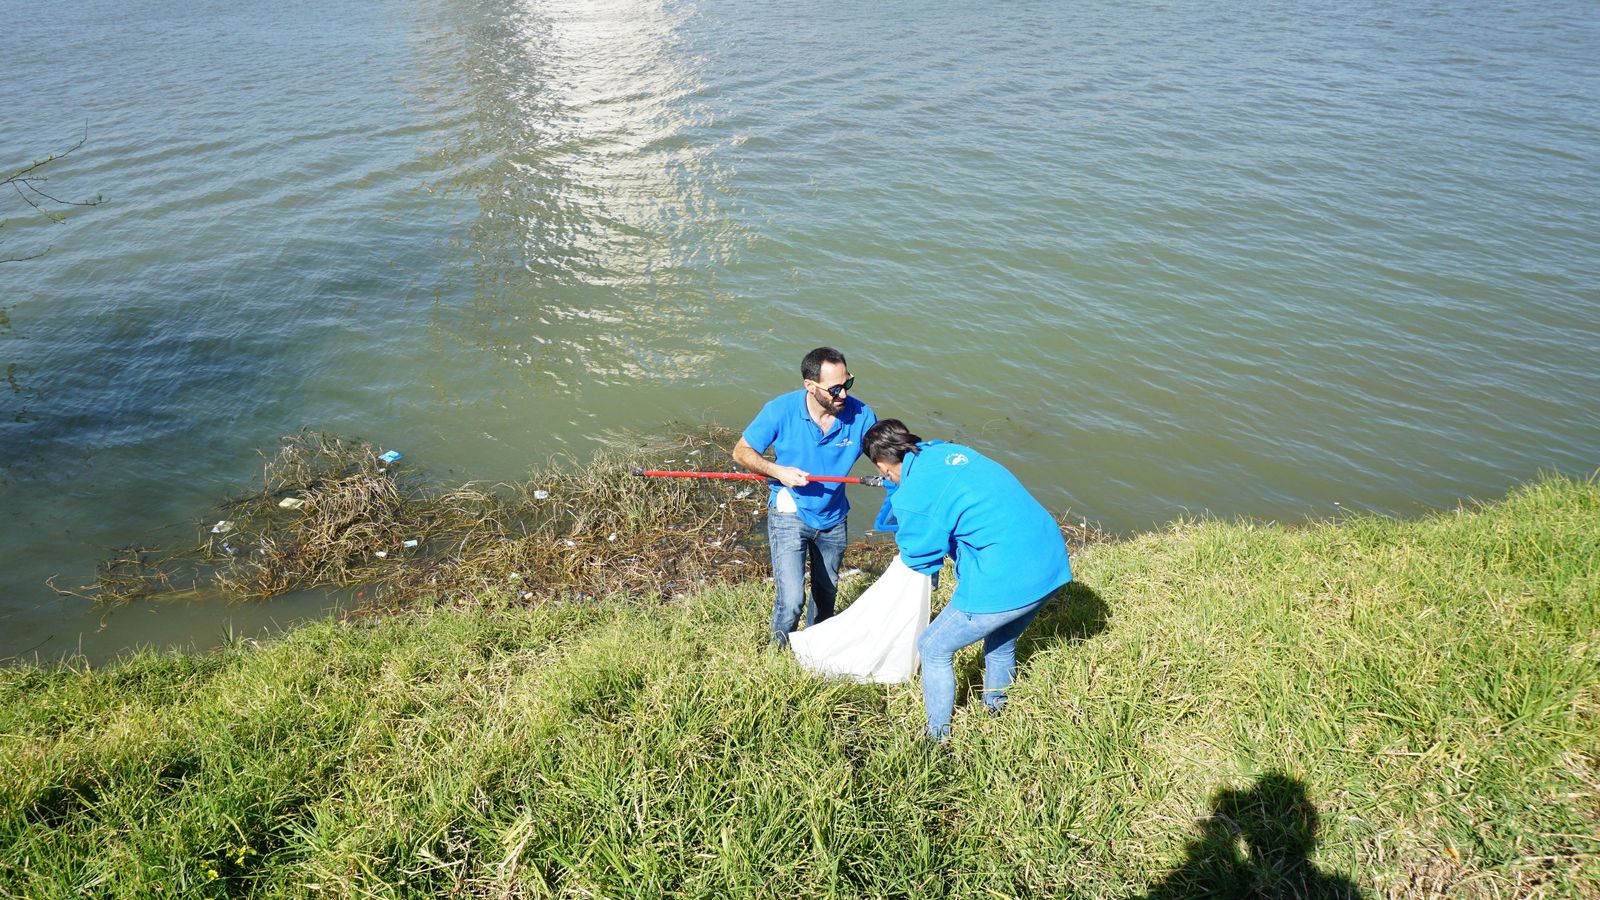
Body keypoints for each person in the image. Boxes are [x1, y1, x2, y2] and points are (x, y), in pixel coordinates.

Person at [862, 418, 1072, 741]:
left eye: (884, 473)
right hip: (1050, 561)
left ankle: (936, 739)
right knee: (1000, 640)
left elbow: (918, 555)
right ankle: (997, 710)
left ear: (882, 466)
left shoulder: (915, 493)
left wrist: (903, 497)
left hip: (1007, 576)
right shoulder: (942, 451)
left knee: (932, 647)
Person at [733, 347, 878, 648]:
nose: (843, 395)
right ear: (810, 386)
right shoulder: (779, 410)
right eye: (835, 389)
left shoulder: (862, 415)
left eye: (847, 384)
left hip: (833, 517)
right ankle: (776, 656)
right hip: (789, 512)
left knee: (826, 597)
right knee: (792, 601)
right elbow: (742, 452)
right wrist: (778, 471)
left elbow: (887, 457)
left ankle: (814, 652)